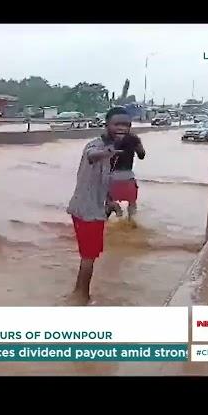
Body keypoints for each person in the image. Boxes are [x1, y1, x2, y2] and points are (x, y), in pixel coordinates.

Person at [66, 106, 130, 304]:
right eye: (117, 124)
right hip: (88, 211)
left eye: (126, 124)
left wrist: (110, 201)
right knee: (89, 257)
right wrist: (109, 151)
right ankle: (82, 298)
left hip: (89, 208)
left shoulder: (113, 149)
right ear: (106, 125)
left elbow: (103, 178)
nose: (122, 128)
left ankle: (78, 293)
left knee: (88, 256)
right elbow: (93, 156)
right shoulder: (96, 146)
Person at [107, 123, 146, 218]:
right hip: (127, 176)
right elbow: (141, 155)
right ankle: (131, 223)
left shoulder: (108, 138)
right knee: (132, 202)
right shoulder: (133, 138)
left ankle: (112, 208)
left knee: (108, 200)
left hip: (111, 176)